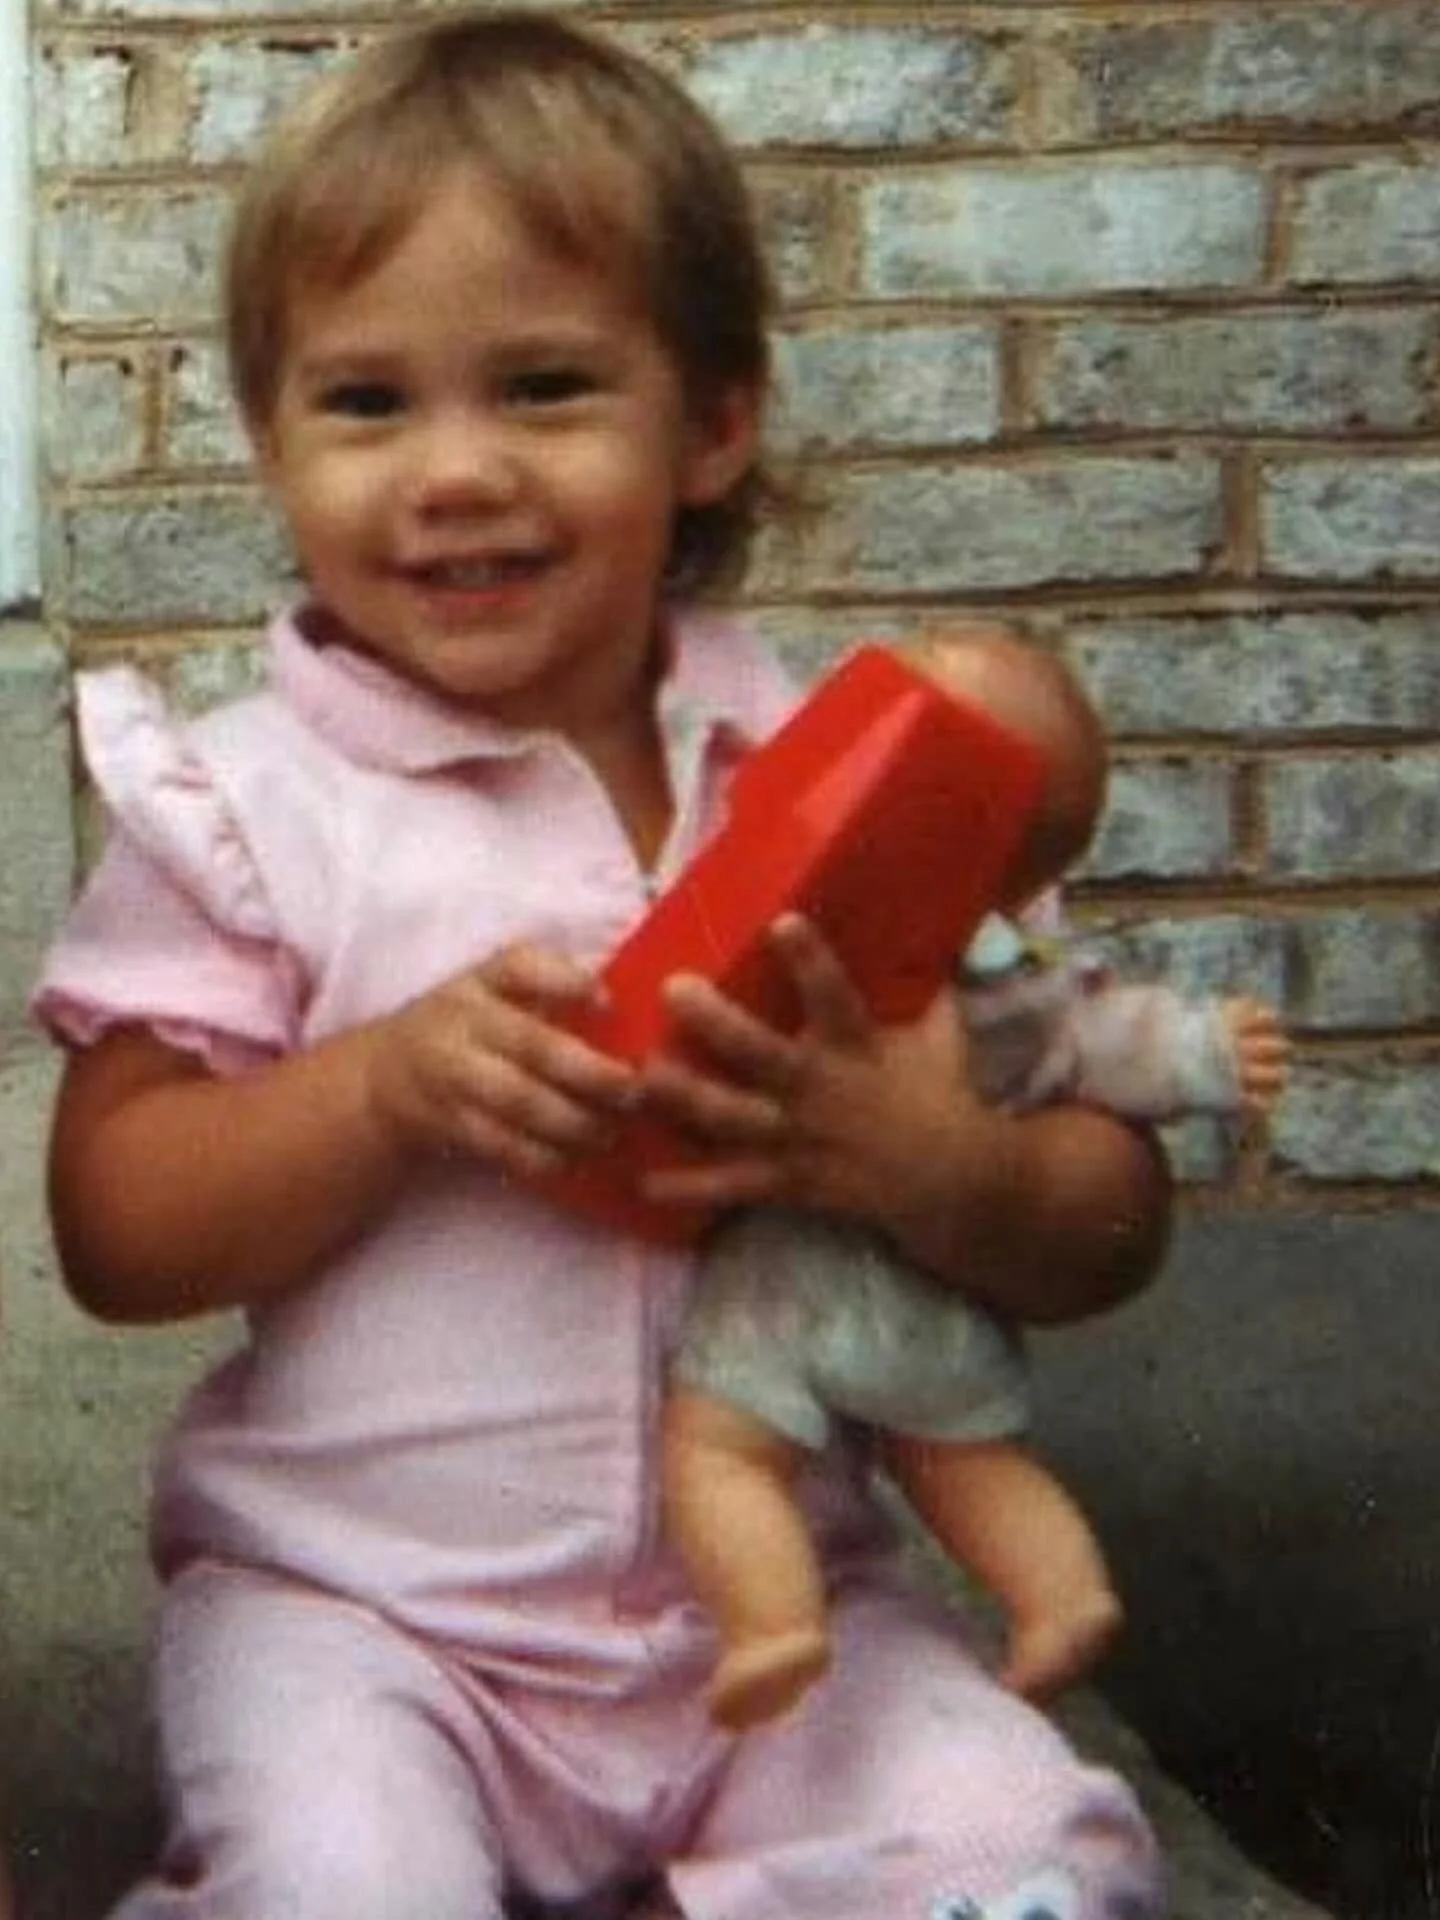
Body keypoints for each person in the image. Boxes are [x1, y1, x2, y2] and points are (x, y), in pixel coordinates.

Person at [33, 13, 1174, 1920]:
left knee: (1025, 1856)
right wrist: (381, 1090)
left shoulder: (841, 780)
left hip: (778, 1629)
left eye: (546, 388)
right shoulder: (253, 808)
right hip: (366, 1622)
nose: (455, 472)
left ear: (714, 421)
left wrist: (931, 1163)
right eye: (368, 403)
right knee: (348, 1882)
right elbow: (116, 1228)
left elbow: (1115, 1210)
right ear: (268, 439)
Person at [663, 633, 1290, 1731]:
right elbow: (1096, 1038)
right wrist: (1201, 1051)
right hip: (932, 1307)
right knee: (963, 1461)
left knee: (719, 1452)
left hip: (783, 1284)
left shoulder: (793, 934)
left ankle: (771, 1622)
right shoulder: (1011, 976)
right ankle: (1061, 1594)